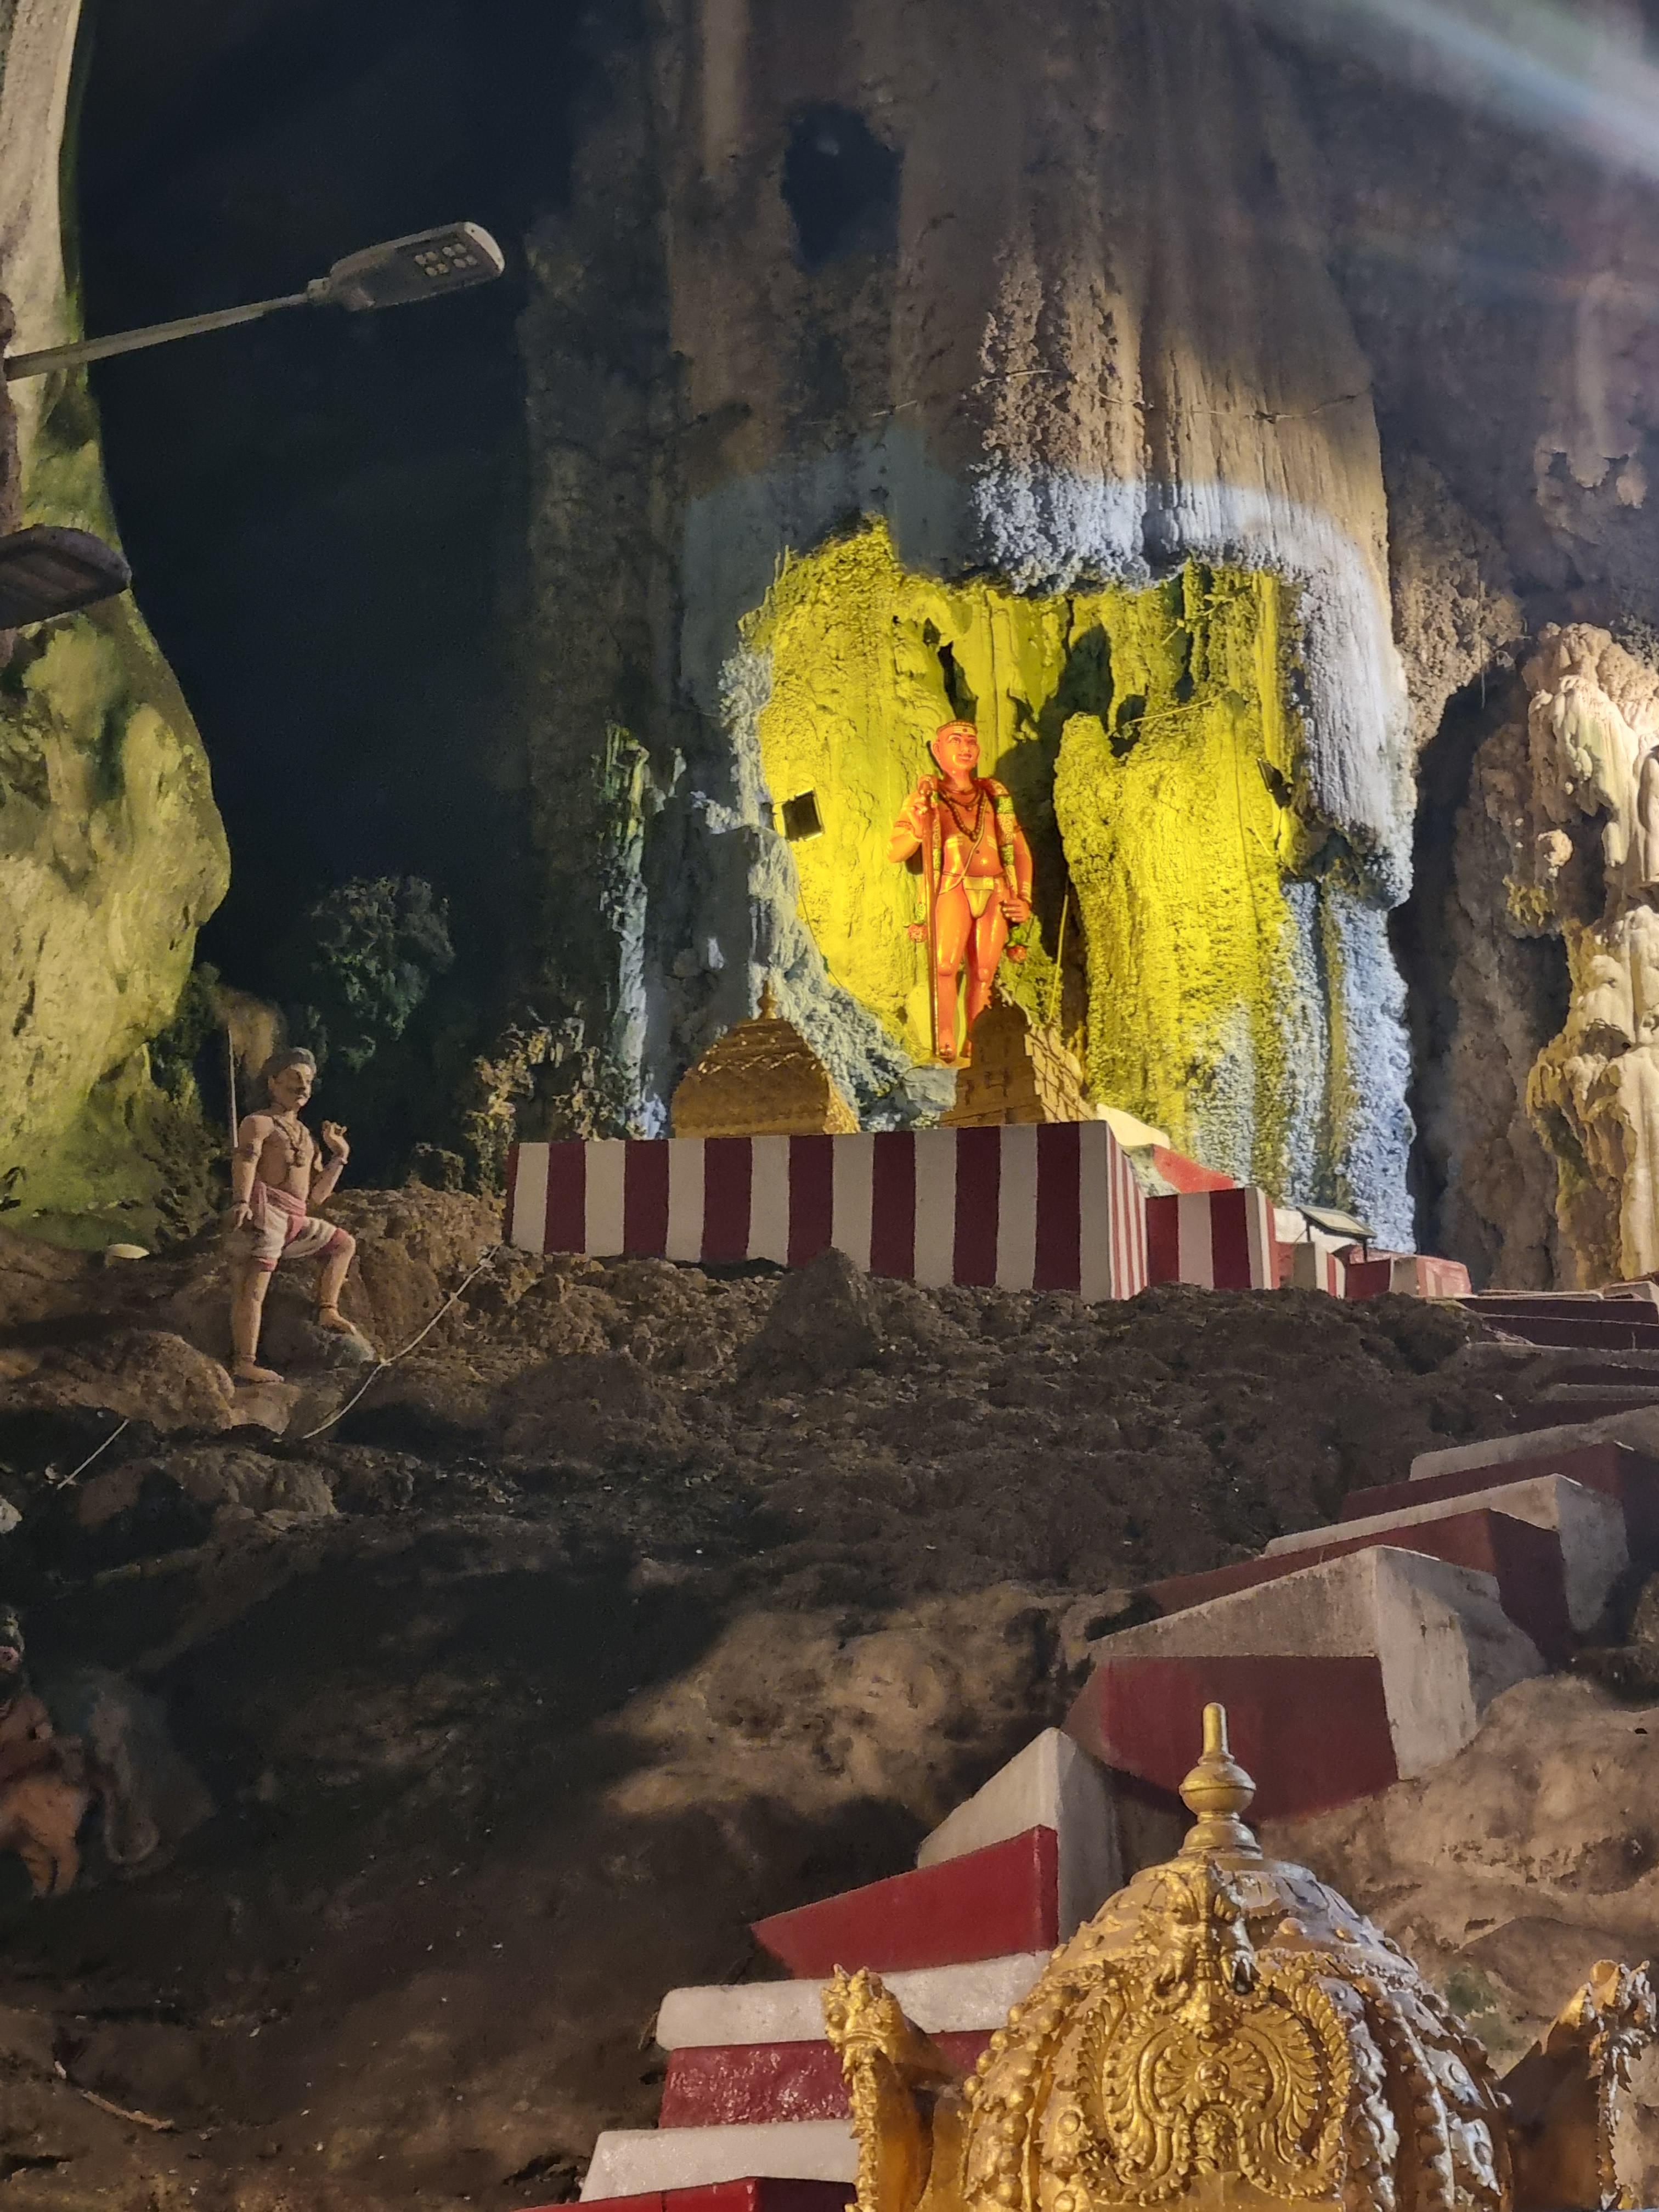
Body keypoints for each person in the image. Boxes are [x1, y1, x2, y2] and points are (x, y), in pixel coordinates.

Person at [888, 719, 1034, 1063]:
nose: (965, 747)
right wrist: (919, 830)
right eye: (955, 740)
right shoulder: (927, 798)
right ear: (937, 750)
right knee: (944, 966)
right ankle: (945, 1042)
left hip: (996, 889)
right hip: (952, 886)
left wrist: (1024, 898)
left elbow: (1021, 851)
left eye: (971, 741)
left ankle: (976, 1043)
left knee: (984, 973)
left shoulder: (994, 797)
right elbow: (894, 851)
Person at [225, 1047, 368, 1384]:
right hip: (267, 1215)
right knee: (253, 1290)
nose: (303, 1086)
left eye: (309, 1081)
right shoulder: (258, 1123)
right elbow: (246, 1160)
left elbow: (316, 1196)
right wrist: (241, 1201)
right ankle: (244, 1361)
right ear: (273, 1082)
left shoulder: (306, 1136)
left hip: (296, 1219)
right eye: (295, 1078)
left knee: (343, 1244)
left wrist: (340, 1156)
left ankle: (328, 1309)